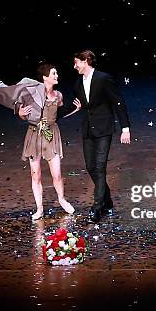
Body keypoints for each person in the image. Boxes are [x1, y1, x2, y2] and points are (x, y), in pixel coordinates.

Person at [57, 50, 131, 222]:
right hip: (88, 129)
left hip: (104, 128)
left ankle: (97, 207)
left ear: (86, 61)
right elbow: (75, 105)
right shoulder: (78, 84)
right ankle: (107, 200)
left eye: (77, 62)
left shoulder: (103, 78)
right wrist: (52, 116)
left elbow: (117, 102)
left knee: (99, 166)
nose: (74, 66)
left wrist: (125, 128)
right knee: (91, 167)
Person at [17, 64, 82, 220]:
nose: (56, 75)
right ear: (45, 77)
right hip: (35, 134)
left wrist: (75, 109)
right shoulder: (31, 95)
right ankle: (39, 209)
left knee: (57, 174)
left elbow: (57, 115)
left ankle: (62, 199)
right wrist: (20, 113)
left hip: (51, 134)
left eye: (56, 73)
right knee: (35, 174)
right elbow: (24, 114)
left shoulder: (58, 95)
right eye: (54, 73)